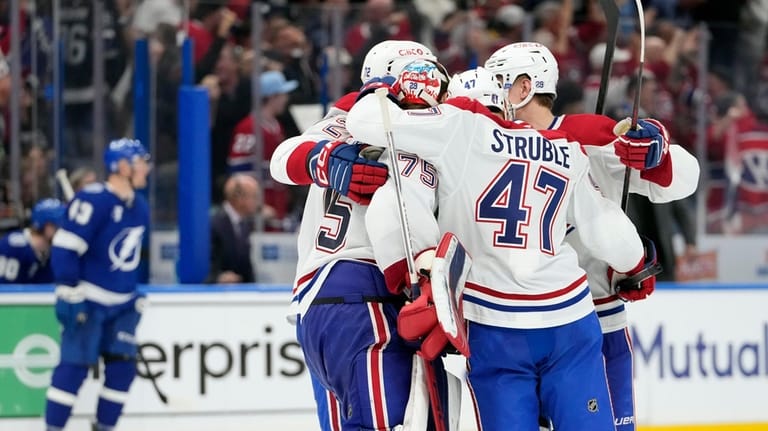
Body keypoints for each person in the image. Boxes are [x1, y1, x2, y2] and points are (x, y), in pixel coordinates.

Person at [346, 59, 657, 430]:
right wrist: (636, 265)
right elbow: (608, 229)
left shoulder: (455, 127)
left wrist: (380, 90)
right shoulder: (563, 146)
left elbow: (364, 124)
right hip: (570, 317)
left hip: (494, 322)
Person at [483, 42, 700, 430]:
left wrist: (657, 152)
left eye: (498, 81)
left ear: (526, 88)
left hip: (593, 322)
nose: (488, 91)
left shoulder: (587, 138)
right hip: (504, 327)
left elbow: (682, 180)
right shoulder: (477, 142)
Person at [270, 40, 447, 430]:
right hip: (365, 293)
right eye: (422, 76)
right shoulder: (409, 127)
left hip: (318, 299)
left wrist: (324, 158)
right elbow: (281, 160)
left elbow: (285, 158)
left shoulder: (346, 117)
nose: (431, 89)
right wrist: (327, 161)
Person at [44, 138, 151, 431]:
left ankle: (104, 427)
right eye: (142, 162)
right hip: (88, 302)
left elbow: (129, 258)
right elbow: (65, 247)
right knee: (74, 370)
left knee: (122, 371)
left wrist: (132, 291)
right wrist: (68, 288)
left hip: (122, 305)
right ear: (123, 166)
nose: (147, 168)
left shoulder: (140, 207)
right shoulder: (92, 199)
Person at [207, 174, 262, 284]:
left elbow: (246, 267)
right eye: (254, 196)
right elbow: (207, 262)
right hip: (215, 294)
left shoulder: (245, 225)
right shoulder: (214, 224)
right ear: (239, 197)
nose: (258, 202)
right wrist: (218, 277)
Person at [0, 198, 64, 284]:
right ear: (47, 227)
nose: (63, 231)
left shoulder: (50, 252)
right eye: (59, 226)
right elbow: (5, 291)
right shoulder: (12, 247)